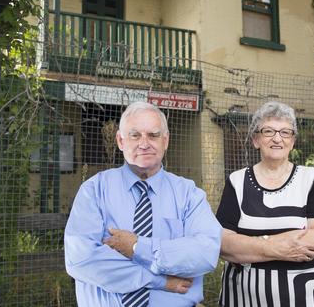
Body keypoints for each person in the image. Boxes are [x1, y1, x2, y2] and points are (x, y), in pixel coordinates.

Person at [65, 101, 222, 307]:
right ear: (120, 141)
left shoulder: (189, 195)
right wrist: (160, 280)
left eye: (153, 135)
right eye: (135, 135)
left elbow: (205, 253)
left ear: (165, 140)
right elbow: (81, 259)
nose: (144, 143)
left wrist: (137, 247)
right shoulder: (94, 191)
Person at [216, 101, 314, 307]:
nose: (277, 138)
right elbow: (223, 244)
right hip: (243, 298)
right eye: (268, 131)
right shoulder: (237, 181)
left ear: (293, 141)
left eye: (285, 132)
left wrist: (250, 246)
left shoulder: (310, 178)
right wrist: (275, 247)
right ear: (256, 139)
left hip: (303, 297)